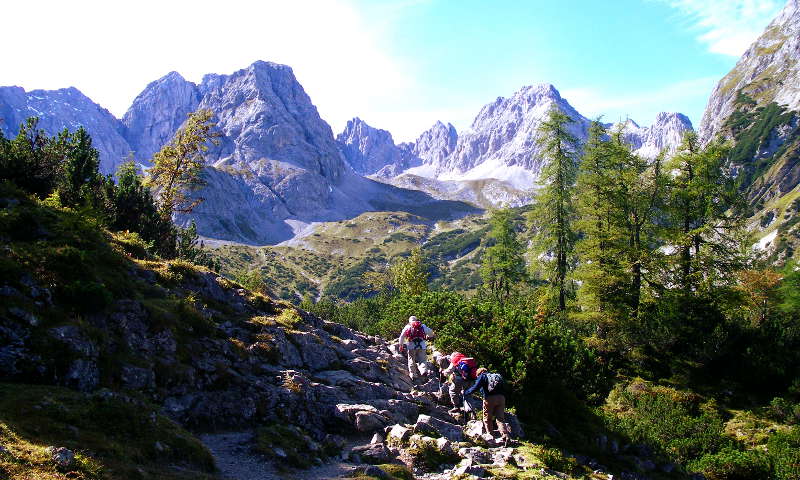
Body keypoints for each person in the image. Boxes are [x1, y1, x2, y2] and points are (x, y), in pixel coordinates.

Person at [463, 367, 511, 441]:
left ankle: (490, 436)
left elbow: (475, 387)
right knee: (500, 418)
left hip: (490, 398)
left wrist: (465, 393)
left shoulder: (482, 376)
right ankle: (505, 436)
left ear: (478, 373)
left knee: (487, 418)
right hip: (501, 398)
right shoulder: (497, 376)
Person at [397, 316, 434, 384]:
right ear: (416, 320)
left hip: (411, 346)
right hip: (422, 345)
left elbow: (402, 336)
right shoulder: (422, 326)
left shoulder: (408, 326)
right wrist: (430, 336)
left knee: (411, 360)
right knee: (422, 360)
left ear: (409, 321)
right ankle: (423, 371)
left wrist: (401, 345)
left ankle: (413, 375)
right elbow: (431, 332)